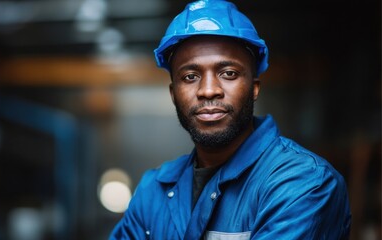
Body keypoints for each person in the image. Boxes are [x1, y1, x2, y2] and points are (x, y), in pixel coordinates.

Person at [110, 0, 351, 239]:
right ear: (173, 94)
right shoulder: (155, 190)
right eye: (191, 76)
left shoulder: (303, 183)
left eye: (228, 73)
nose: (208, 90)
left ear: (254, 88)